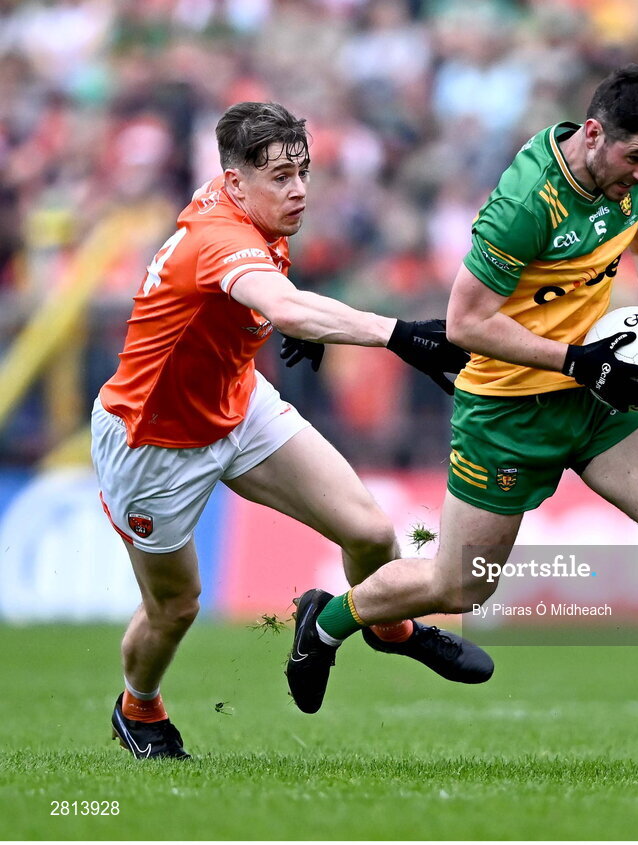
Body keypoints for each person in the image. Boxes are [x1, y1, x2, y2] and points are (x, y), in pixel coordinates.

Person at [287, 65, 638, 767]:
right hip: (508, 411)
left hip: (596, 396)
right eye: (634, 158)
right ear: (593, 132)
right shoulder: (528, 202)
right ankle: (326, 619)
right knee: (458, 585)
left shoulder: (628, 187)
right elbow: (464, 323)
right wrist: (577, 359)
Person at [93, 101, 493, 760]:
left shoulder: (247, 211)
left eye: (303, 171)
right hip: (152, 441)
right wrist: (400, 335)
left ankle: (388, 625)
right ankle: (139, 707)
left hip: (239, 402)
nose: (299, 188)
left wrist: (285, 325)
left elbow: (265, 295)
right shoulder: (219, 234)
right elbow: (273, 296)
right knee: (175, 606)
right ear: (234, 180)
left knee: (368, 530)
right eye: (280, 176)